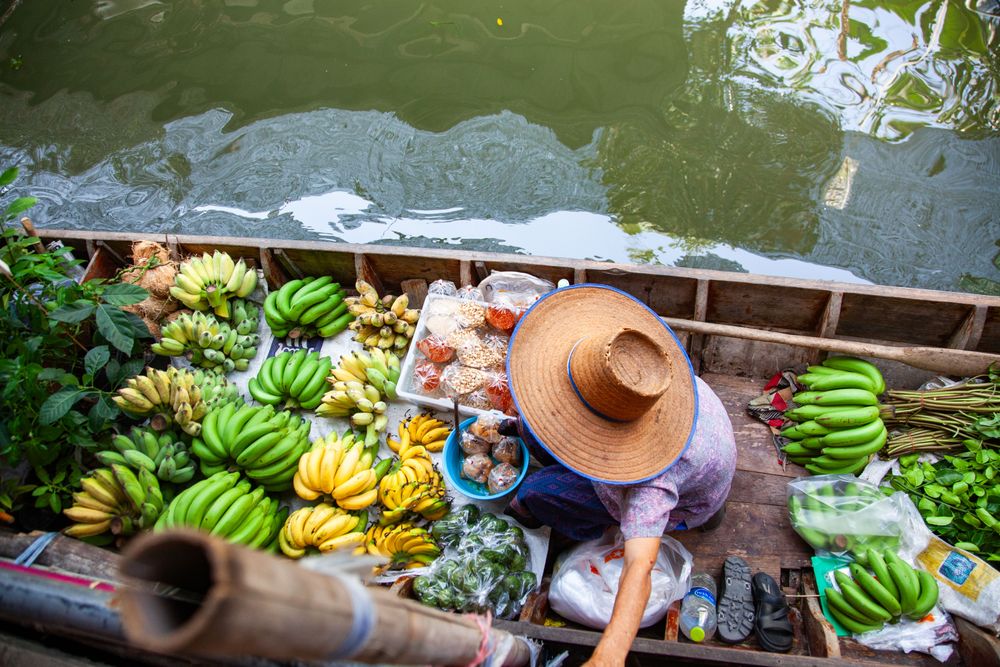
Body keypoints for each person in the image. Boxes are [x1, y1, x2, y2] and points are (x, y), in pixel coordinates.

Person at [502, 284, 737, 667]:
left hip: (690, 485)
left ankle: (704, 515)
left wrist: (609, 654)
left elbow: (639, 567)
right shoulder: (638, 373)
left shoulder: (651, 483)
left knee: (535, 493)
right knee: (531, 431)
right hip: (702, 455)